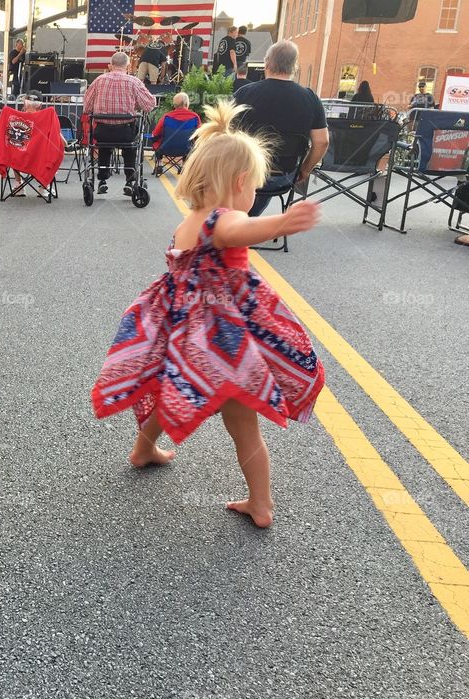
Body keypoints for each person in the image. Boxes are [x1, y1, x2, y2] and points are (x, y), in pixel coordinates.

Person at [91, 100, 324, 529]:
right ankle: (261, 504)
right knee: (243, 425)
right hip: (223, 346)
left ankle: (144, 450)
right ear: (240, 182)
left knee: (169, 388)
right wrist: (280, 223)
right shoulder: (224, 219)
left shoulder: (189, 222)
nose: (254, 195)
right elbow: (238, 229)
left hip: (183, 336)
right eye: (255, 186)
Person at [233, 40, 329, 216]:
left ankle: (241, 218)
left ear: (267, 63)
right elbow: (322, 142)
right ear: (295, 66)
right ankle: (248, 218)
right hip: (284, 177)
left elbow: (226, 135)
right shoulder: (311, 99)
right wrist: (304, 170)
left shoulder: (244, 93)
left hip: (245, 175)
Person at [83, 51, 157, 196]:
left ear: (110, 65)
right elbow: (149, 104)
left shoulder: (99, 80)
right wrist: (135, 104)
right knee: (130, 147)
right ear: (128, 66)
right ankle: (130, 180)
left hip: (102, 131)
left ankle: (102, 179)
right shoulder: (134, 82)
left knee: (104, 146)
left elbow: (87, 107)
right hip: (125, 132)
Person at [148, 91, 200, 170]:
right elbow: (199, 134)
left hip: (165, 149)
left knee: (156, 140)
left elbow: (155, 133)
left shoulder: (167, 117)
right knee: (190, 142)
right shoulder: (195, 117)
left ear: (174, 104)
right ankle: (184, 165)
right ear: (187, 103)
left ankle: (159, 163)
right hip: (186, 149)